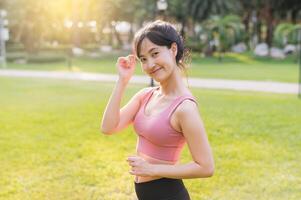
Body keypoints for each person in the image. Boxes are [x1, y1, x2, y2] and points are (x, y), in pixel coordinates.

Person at [101, 20, 214, 200]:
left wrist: (151, 169)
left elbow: (206, 167)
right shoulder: (146, 95)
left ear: (173, 49)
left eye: (155, 53)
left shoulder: (185, 108)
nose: (150, 64)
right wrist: (122, 81)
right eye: (143, 59)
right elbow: (108, 127)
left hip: (167, 193)